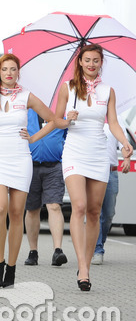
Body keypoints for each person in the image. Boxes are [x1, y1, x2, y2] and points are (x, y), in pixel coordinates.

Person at [0, 53, 56, 288]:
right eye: (4, 69)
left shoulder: (26, 96)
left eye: (13, 69)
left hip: (21, 158)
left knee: (17, 213)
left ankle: (12, 267)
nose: (9, 73)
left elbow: (52, 119)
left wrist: (33, 138)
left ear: (18, 72)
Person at [55, 43, 132, 291]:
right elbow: (56, 121)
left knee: (94, 212)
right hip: (75, 151)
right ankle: (83, 268)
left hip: (99, 153)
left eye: (96, 61)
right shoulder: (68, 89)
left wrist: (123, 143)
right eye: (87, 60)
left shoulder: (108, 91)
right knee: (78, 206)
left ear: (101, 63)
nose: (91, 64)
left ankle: (85, 262)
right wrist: (68, 119)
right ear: (79, 62)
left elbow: (113, 123)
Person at [22, 109, 68, 267]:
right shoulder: (26, 113)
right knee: (32, 209)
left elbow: (69, 136)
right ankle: (33, 251)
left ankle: (58, 250)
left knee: (54, 206)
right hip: (30, 165)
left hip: (54, 166)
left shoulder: (60, 113)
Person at [92, 119, 131, 264]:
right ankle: (97, 249)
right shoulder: (91, 119)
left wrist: (126, 158)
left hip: (111, 172)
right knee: (95, 212)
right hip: (94, 172)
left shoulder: (116, 122)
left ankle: (97, 242)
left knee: (108, 214)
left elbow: (123, 144)